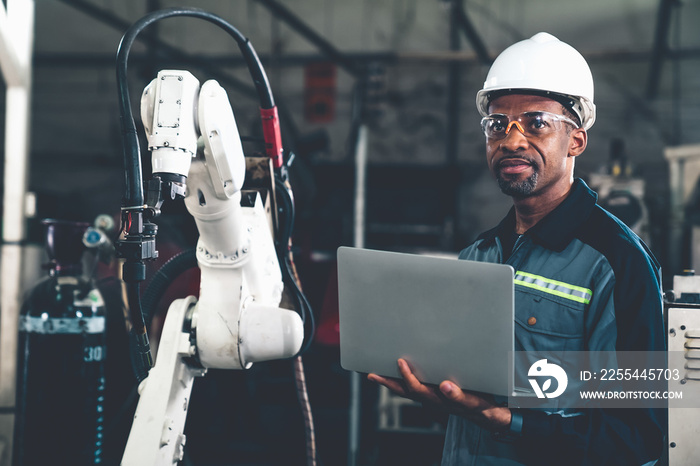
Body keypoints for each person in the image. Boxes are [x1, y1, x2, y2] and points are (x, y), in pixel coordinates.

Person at [368, 32, 666, 465]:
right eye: (497, 125)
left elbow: (637, 436)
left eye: (536, 123)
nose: (511, 140)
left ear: (577, 141)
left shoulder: (619, 264)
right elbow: (469, 394)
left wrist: (511, 422)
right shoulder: (479, 255)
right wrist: (437, 392)